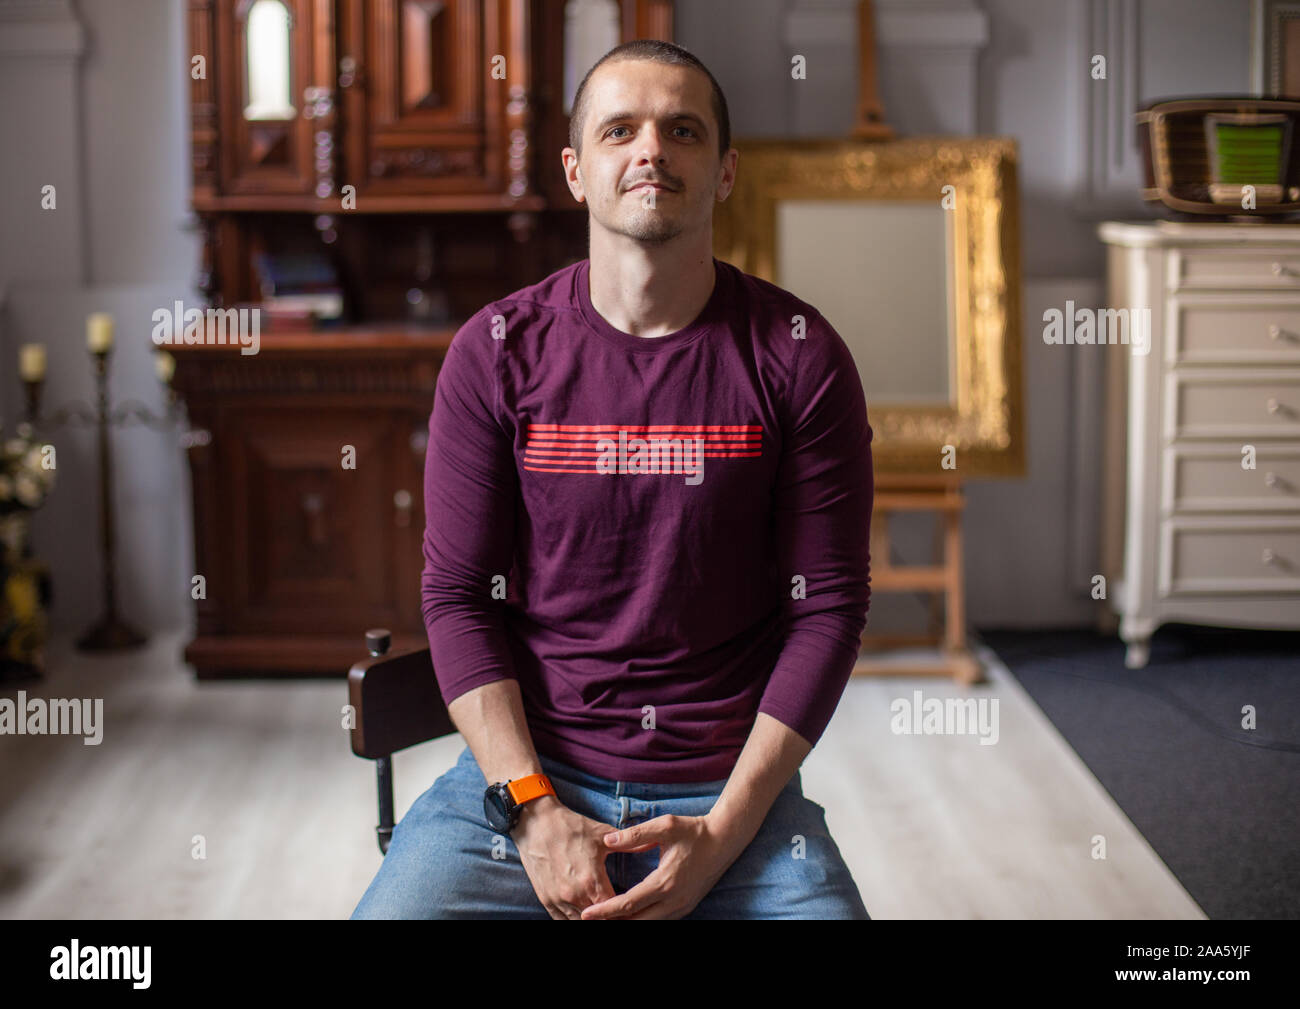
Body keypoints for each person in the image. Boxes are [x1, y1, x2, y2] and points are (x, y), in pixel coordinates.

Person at [351, 39, 874, 920]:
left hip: (730, 797)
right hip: (527, 789)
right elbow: (455, 596)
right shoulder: (495, 353)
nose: (651, 152)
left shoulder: (800, 356)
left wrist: (725, 834)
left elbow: (829, 607)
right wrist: (533, 810)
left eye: (682, 130)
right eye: (619, 129)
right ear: (575, 170)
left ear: (725, 171)